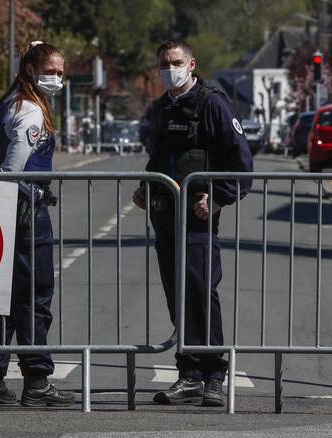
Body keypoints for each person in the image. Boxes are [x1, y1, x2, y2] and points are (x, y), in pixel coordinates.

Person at [132, 39, 253, 407]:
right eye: (165, 63)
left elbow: (241, 163)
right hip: (165, 217)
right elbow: (157, 158)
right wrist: (144, 189)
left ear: (192, 64)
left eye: (177, 61)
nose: (171, 68)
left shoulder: (213, 105)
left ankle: (213, 375)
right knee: (177, 297)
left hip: (198, 219)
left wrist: (219, 199)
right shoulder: (160, 109)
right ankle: (188, 374)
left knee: (201, 293)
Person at [0, 41, 74, 408]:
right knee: (35, 295)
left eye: (61, 73)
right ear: (31, 70)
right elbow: (9, 170)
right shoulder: (30, 111)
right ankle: (36, 380)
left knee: (3, 298)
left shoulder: (9, 101)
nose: (58, 78)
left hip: (8, 210)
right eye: (51, 71)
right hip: (25, 211)